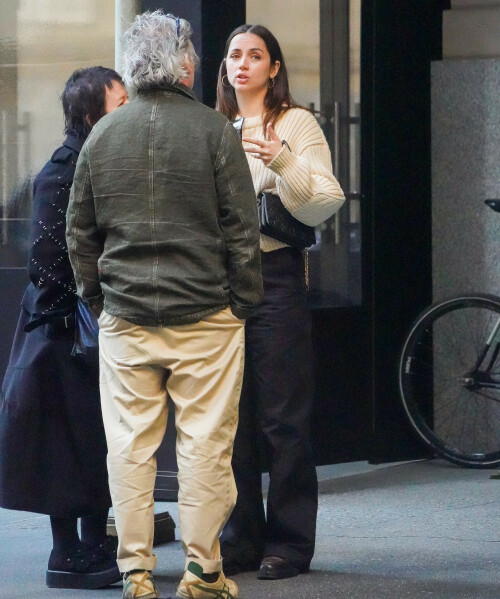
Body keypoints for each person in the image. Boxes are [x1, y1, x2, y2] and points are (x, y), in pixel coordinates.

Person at [66, 11, 263, 599]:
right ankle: (204, 573)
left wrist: (99, 299)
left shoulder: (103, 134)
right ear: (182, 65)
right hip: (206, 315)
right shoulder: (214, 131)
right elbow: (241, 230)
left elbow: (81, 233)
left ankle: (136, 572)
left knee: (128, 447)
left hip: (126, 318)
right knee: (205, 446)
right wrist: (242, 302)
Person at [216, 24, 346, 580]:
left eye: (255, 55)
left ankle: (290, 543)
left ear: (273, 68)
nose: (242, 63)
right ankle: (240, 537)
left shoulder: (294, 122)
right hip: (219, 281)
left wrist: (283, 161)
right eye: (234, 55)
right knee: (230, 421)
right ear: (224, 68)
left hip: (275, 276)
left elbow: (326, 201)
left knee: (283, 417)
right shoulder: (214, 126)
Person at [0, 67, 128, 589]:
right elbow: (51, 264)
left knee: (91, 440)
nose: (128, 113)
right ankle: (68, 553)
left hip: (78, 324)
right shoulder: (62, 171)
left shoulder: (94, 163)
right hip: (63, 330)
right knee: (70, 442)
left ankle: (90, 546)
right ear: (90, 114)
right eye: (119, 105)